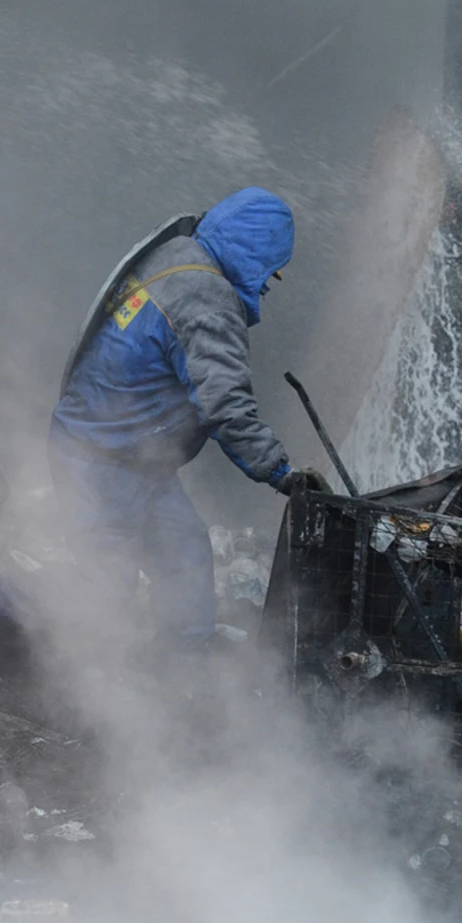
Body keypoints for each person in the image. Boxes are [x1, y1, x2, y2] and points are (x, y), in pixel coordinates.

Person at [48, 187, 326, 647]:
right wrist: (282, 474)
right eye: (270, 272)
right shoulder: (206, 298)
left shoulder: (175, 255)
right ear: (253, 252)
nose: (266, 285)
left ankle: (185, 668)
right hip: (100, 462)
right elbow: (226, 406)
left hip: (130, 456)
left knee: (185, 557)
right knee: (105, 593)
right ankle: (50, 671)